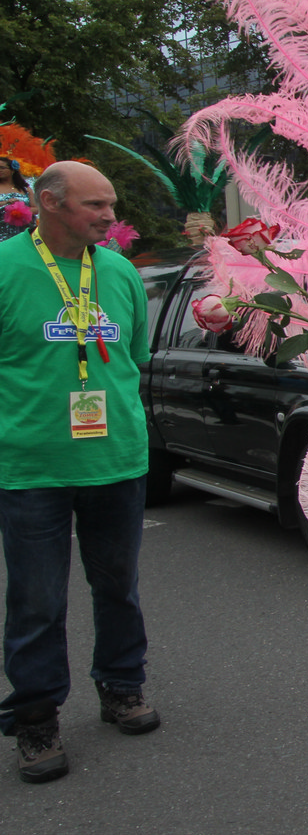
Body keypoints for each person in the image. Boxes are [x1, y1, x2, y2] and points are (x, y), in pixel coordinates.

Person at [0, 161, 159, 785]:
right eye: (95, 205)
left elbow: (133, 359)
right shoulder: (6, 268)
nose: (109, 216)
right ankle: (35, 717)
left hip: (116, 460)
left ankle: (122, 685)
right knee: (37, 599)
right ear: (48, 202)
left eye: (111, 204)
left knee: (118, 586)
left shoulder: (119, 272)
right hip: (31, 466)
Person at [0, 159, 33, 242]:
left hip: (22, 232)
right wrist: (6, 203)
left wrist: (21, 211)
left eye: (2, 168)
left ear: (12, 170)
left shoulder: (25, 188)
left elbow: (36, 208)